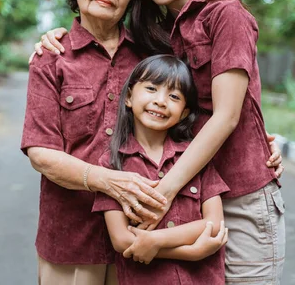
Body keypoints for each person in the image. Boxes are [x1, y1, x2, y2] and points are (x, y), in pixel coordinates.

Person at [32, 0, 286, 284]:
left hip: (217, 193)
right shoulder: (161, 37)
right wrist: (52, 37)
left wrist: (164, 193)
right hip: (163, 208)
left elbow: (227, 114)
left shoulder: (219, 18)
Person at [21, 0, 183, 285]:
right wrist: (111, 183)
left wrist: (263, 141)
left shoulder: (151, 58)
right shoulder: (52, 58)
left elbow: (196, 117)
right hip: (71, 240)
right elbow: (41, 153)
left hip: (146, 237)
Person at [93, 55, 229, 285]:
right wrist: (192, 251)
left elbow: (214, 224)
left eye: (174, 96)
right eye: (151, 89)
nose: (161, 101)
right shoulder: (111, 164)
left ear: (184, 112)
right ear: (128, 97)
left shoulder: (196, 157)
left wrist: (155, 240)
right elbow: (122, 240)